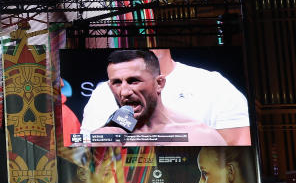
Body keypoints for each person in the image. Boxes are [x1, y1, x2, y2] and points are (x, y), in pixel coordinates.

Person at [80, 49, 250, 145]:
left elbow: (238, 162)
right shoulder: (104, 133)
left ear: (160, 83)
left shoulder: (198, 133)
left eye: (134, 81)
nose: (124, 92)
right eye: (117, 83)